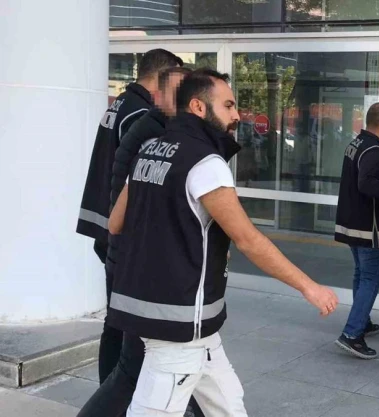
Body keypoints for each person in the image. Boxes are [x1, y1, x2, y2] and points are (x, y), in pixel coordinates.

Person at [106, 69, 338, 416]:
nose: (237, 115)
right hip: (180, 326)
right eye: (228, 105)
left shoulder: (149, 150)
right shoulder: (205, 162)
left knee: (228, 403)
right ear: (198, 107)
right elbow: (248, 240)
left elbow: (116, 222)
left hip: (181, 322)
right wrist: (310, 288)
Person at [76, 67, 204, 417]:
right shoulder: (154, 134)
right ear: (159, 95)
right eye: (182, 93)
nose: (191, 102)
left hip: (130, 257)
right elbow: (127, 212)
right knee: (131, 364)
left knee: (133, 356)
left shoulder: (147, 123)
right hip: (139, 263)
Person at [334, 103, 379, 359]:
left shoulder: (357, 143)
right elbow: (367, 185)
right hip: (370, 228)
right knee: (370, 278)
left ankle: (363, 320)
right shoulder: (375, 150)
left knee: (361, 275)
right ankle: (352, 334)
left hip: (354, 224)